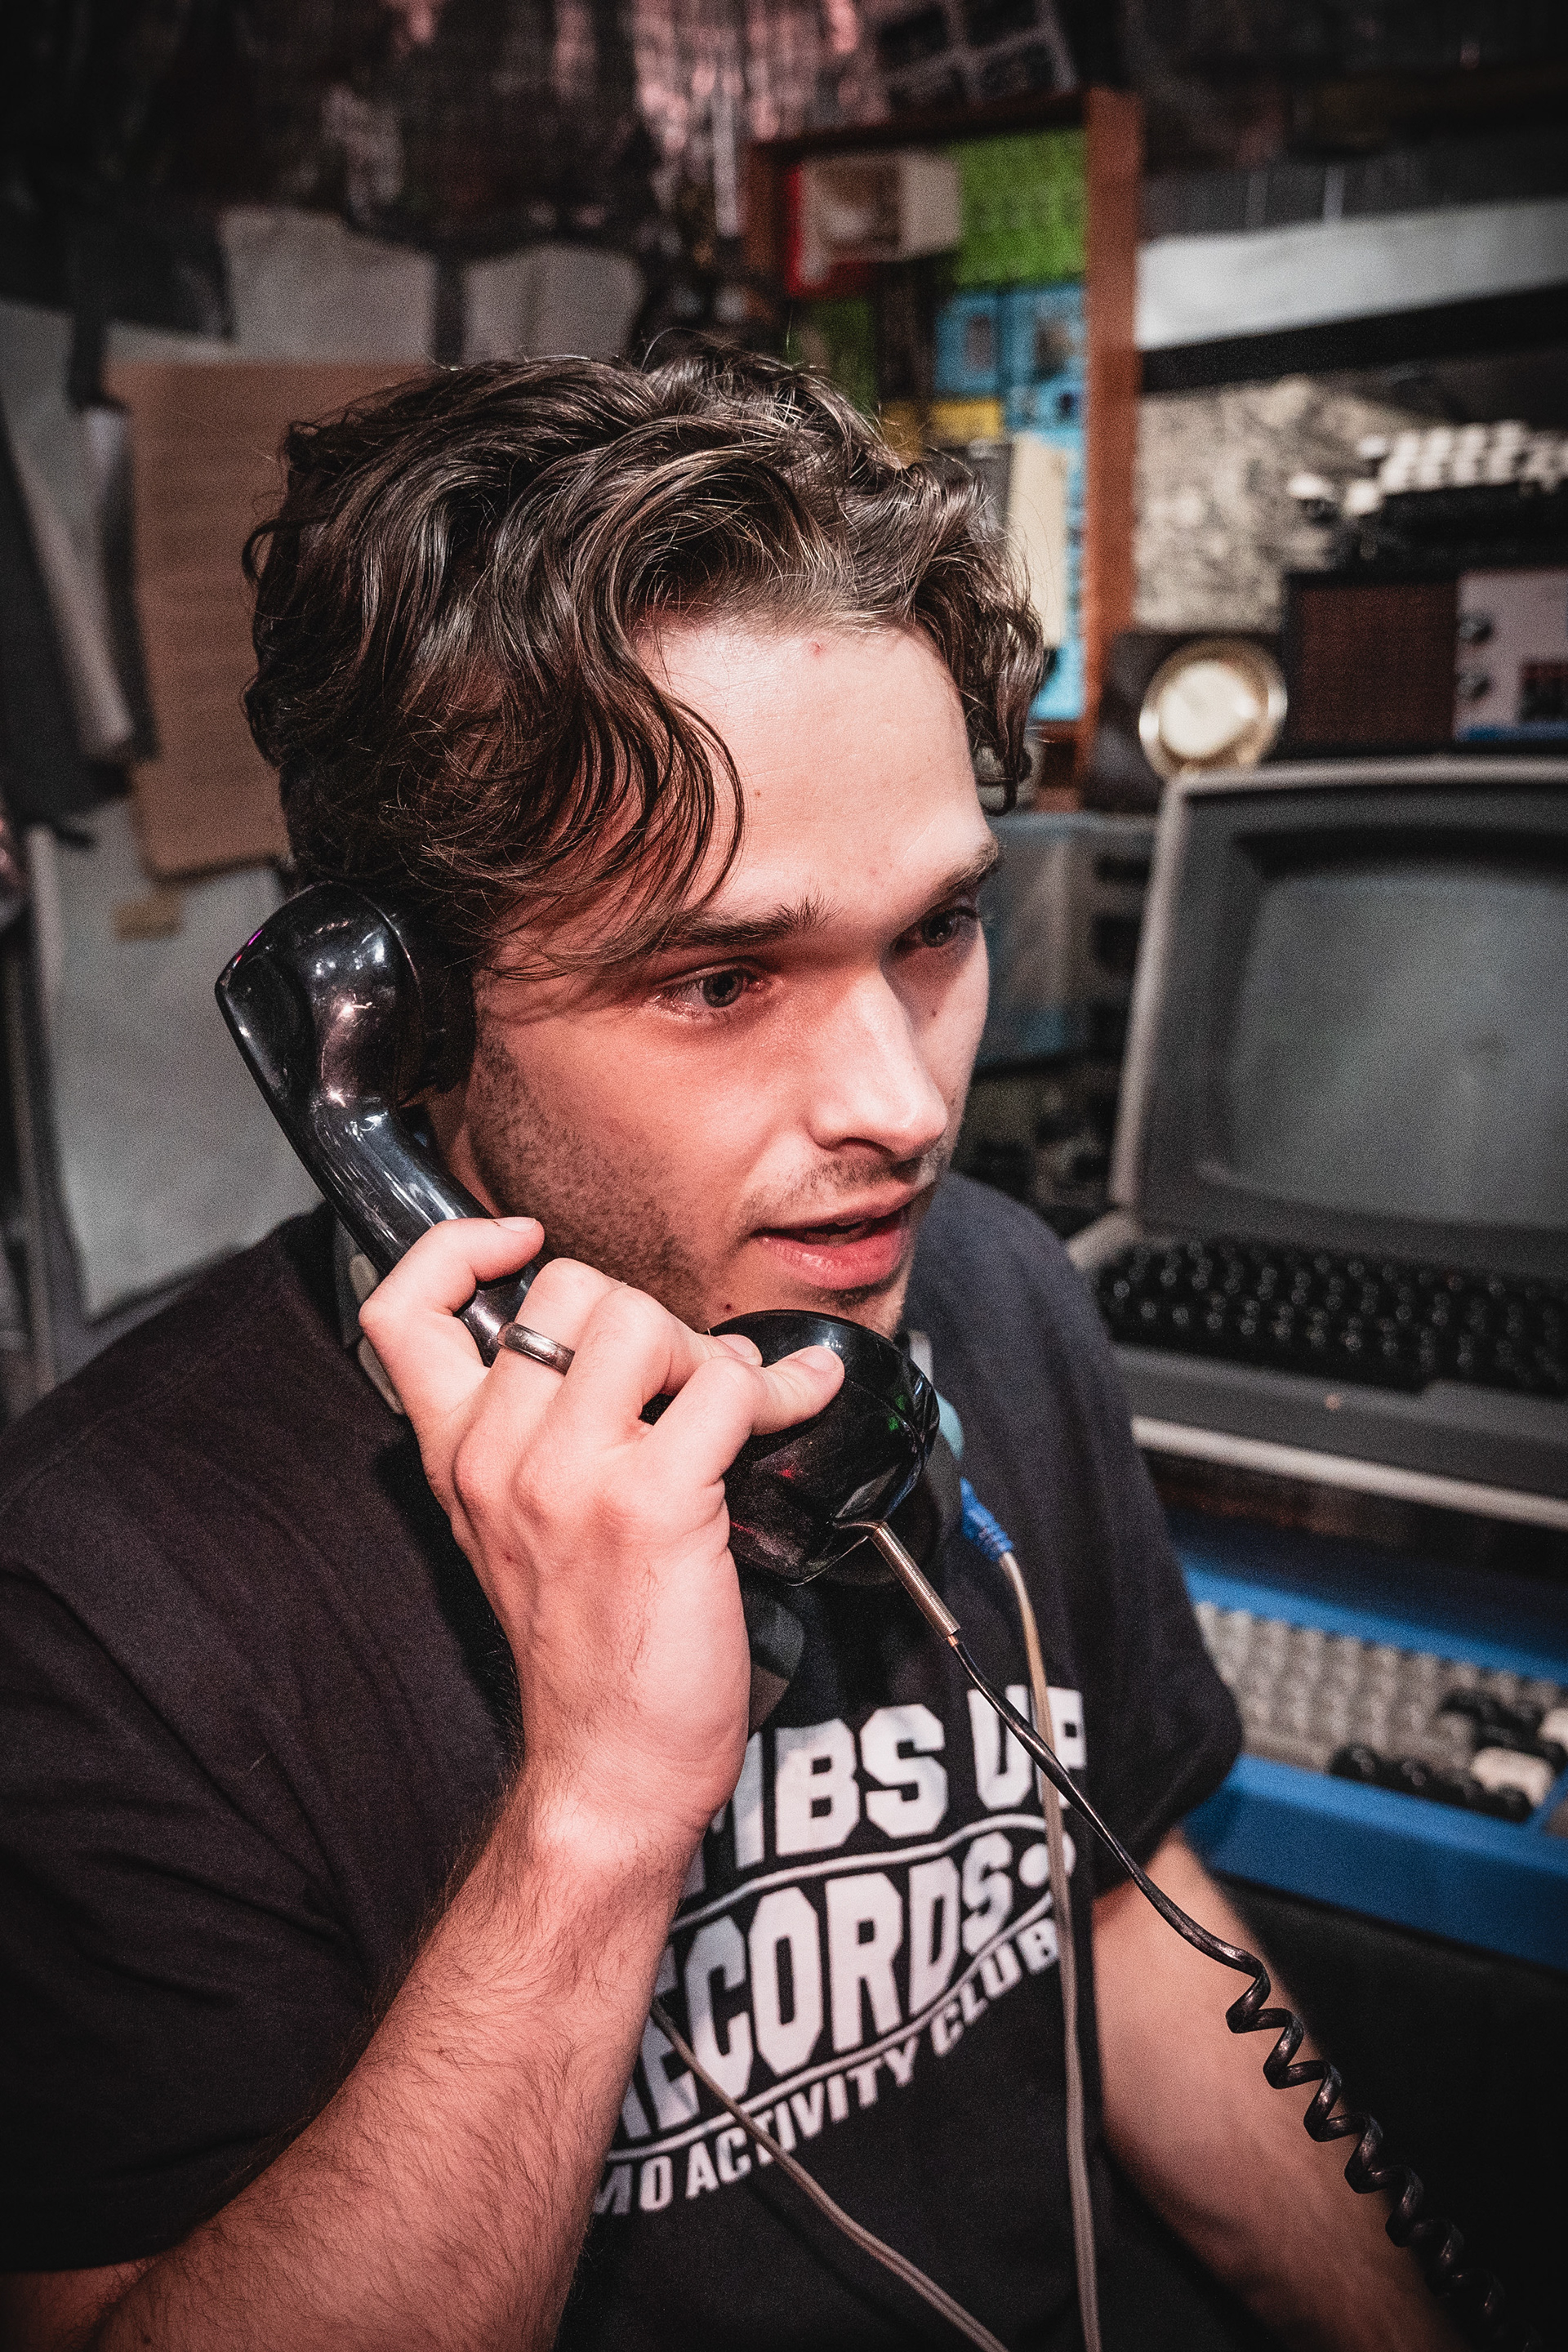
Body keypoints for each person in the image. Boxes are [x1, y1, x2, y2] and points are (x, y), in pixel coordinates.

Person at [0, 350, 1459, 2352]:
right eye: (717, 978)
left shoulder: (997, 1300)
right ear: (393, 1032)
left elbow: (1120, 1903)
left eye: (933, 933)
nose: (902, 1107)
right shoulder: (97, 1604)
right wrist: (597, 1817)